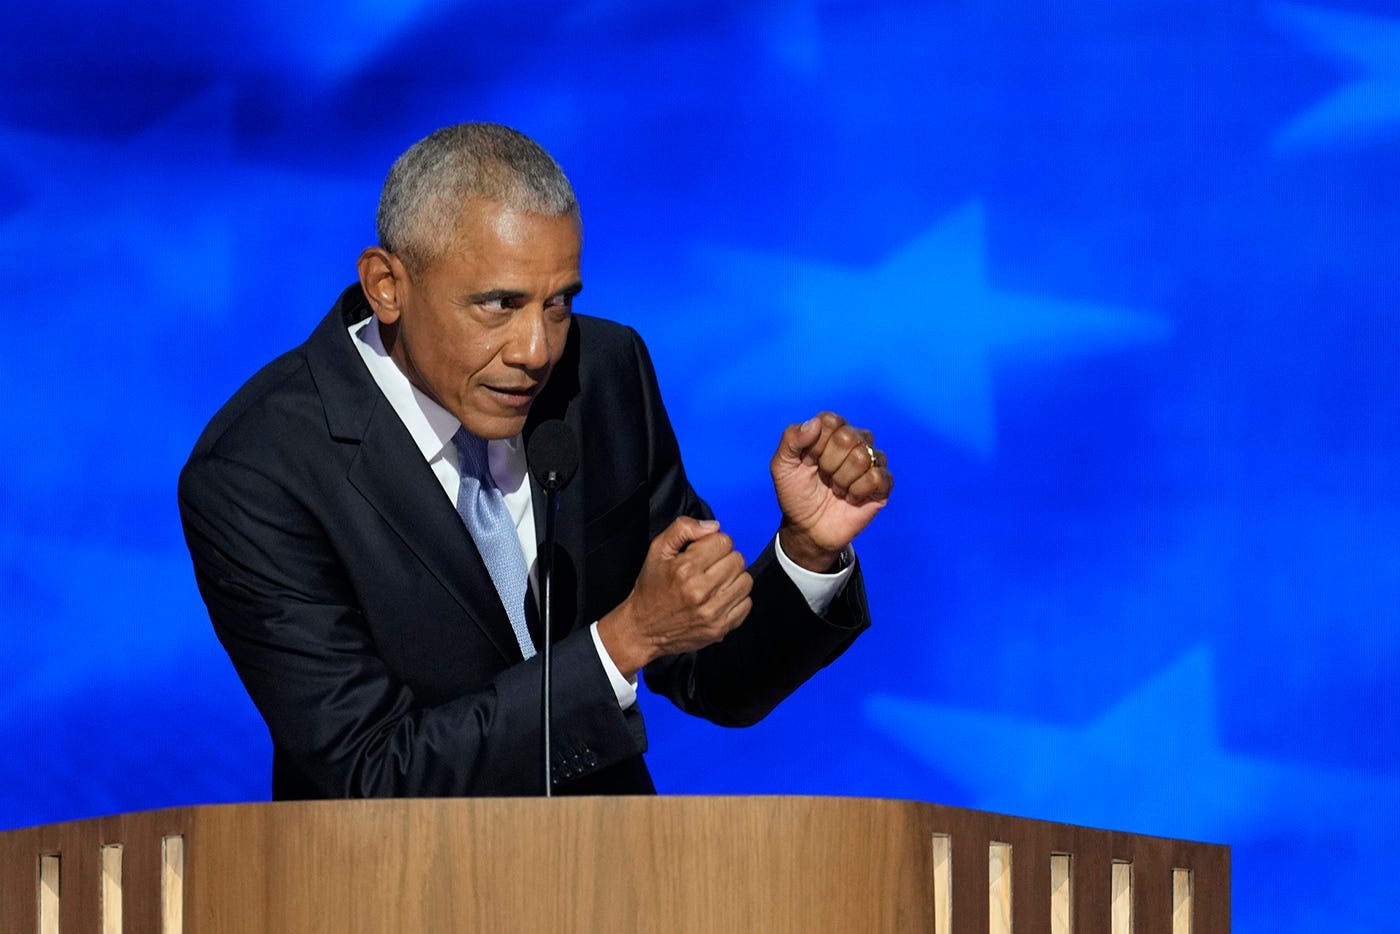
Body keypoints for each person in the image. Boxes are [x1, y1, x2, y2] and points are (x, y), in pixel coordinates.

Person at [178, 123, 893, 798]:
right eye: (499, 304)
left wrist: (804, 553)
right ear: (387, 286)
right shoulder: (258, 470)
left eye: (558, 303)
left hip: (614, 887)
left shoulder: (605, 374)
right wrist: (623, 639)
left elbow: (714, 675)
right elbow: (372, 774)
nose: (536, 350)